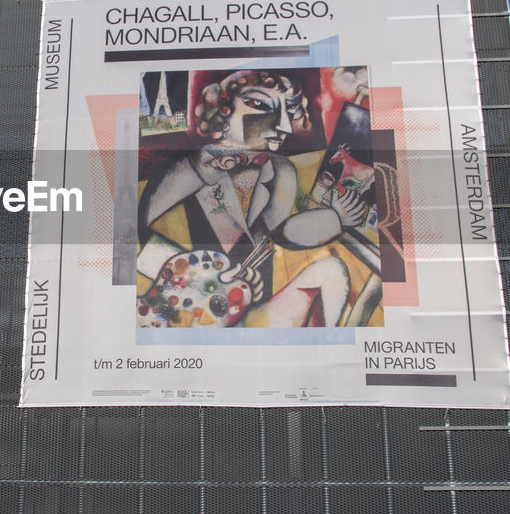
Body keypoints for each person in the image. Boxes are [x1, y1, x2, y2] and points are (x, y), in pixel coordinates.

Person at [137, 69, 367, 329]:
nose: (283, 126)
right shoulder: (189, 169)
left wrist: (336, 219)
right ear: (220, 107)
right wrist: (205, 281)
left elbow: (283, 231)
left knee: (335, 271)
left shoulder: (280, 170)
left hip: (251, 316)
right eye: (260, 105)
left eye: (287, 113)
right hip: (191, 318)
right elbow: (139, 236)